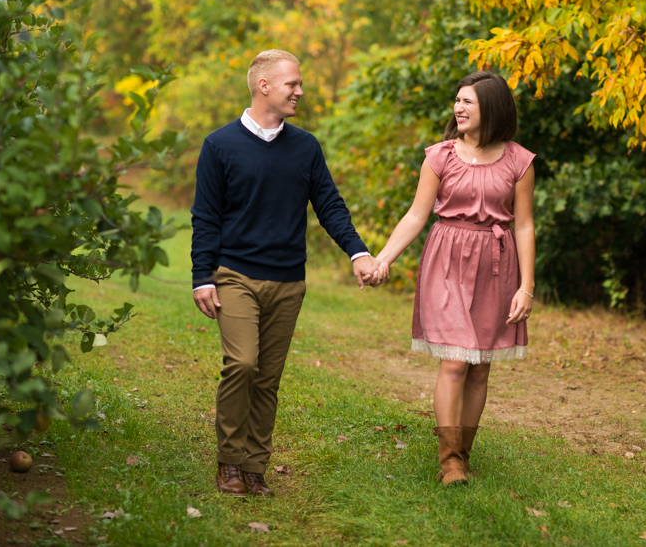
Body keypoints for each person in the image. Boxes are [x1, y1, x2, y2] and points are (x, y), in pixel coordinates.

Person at [190, 49, 379, 497]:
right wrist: (202, 276)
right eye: (293, 83)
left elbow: (329, 205)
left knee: (268, 376)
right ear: (264, 87)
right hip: (235, 274)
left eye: (300, 83)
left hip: (289, 280)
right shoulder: (219, 145)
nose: (300, 90)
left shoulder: (306, 147)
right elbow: (206, 216)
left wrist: (358, 252)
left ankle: (254, 468)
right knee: (243, 364)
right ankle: (229, 462)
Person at [370, 70, 535, 485]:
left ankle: (463, 452)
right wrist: (384, 258)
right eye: (457, 101)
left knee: (480, 366)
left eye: (468, 102)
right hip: (446, 261)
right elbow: (415, 215)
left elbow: (525, 226)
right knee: (456, 362)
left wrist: (526, 287)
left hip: (496, 265)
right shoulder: (440, 156)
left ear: (491, 109)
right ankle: (450, 462)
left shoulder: (519, 160)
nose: (458, 108)